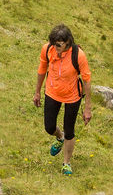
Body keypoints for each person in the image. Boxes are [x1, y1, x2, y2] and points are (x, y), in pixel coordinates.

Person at [33, 24, 93, 175]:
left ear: (68, 42)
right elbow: (41, 70)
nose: (55, 47)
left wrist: (87, 108)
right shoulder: (47, 49)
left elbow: (86, 80)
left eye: (59, 44)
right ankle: (60, 138)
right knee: (49, 127)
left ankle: (66, 163)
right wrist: (37, 92)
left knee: (70, 130)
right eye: (53, 43)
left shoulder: (78, 55)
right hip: (52, 92)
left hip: (72, 96)